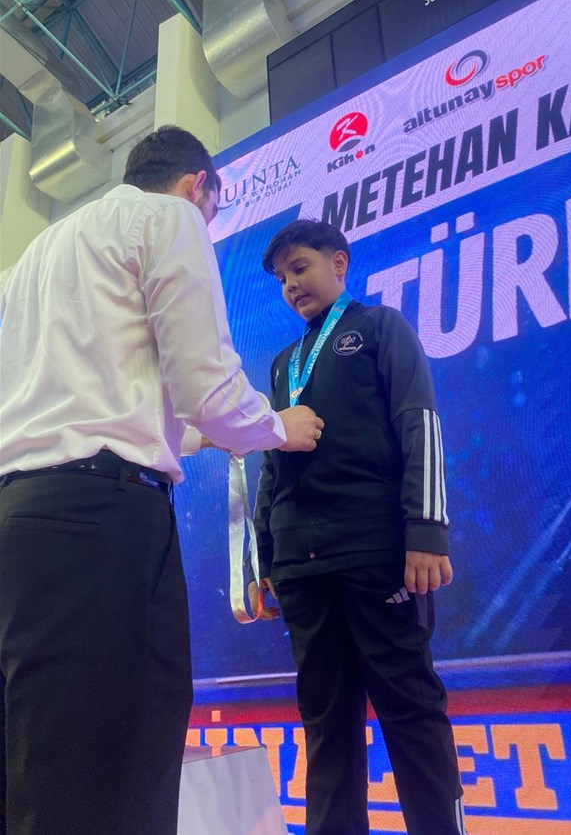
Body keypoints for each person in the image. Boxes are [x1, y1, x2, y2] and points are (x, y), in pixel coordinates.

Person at [0, 126, 323, 835]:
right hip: (102, 518)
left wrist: (202, 434)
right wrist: (276, 427)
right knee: (120, 753)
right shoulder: (169, 217)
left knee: (40, 757)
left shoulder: (35, 257)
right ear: (196, 186)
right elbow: (205, 383)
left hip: (22, 514)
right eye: (213, 210)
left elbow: (104, 395)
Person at [252, 219, 468, 835]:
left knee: (410, 708)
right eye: (282, 279)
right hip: (301, 566)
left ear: (339, 263)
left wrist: (426, 531)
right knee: (325, 721)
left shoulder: (380, 328)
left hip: (374, 553)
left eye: (301, 268)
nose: (292, 286)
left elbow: (419, 421)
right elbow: (272, 464)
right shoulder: (283, 364)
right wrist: (266, 557)